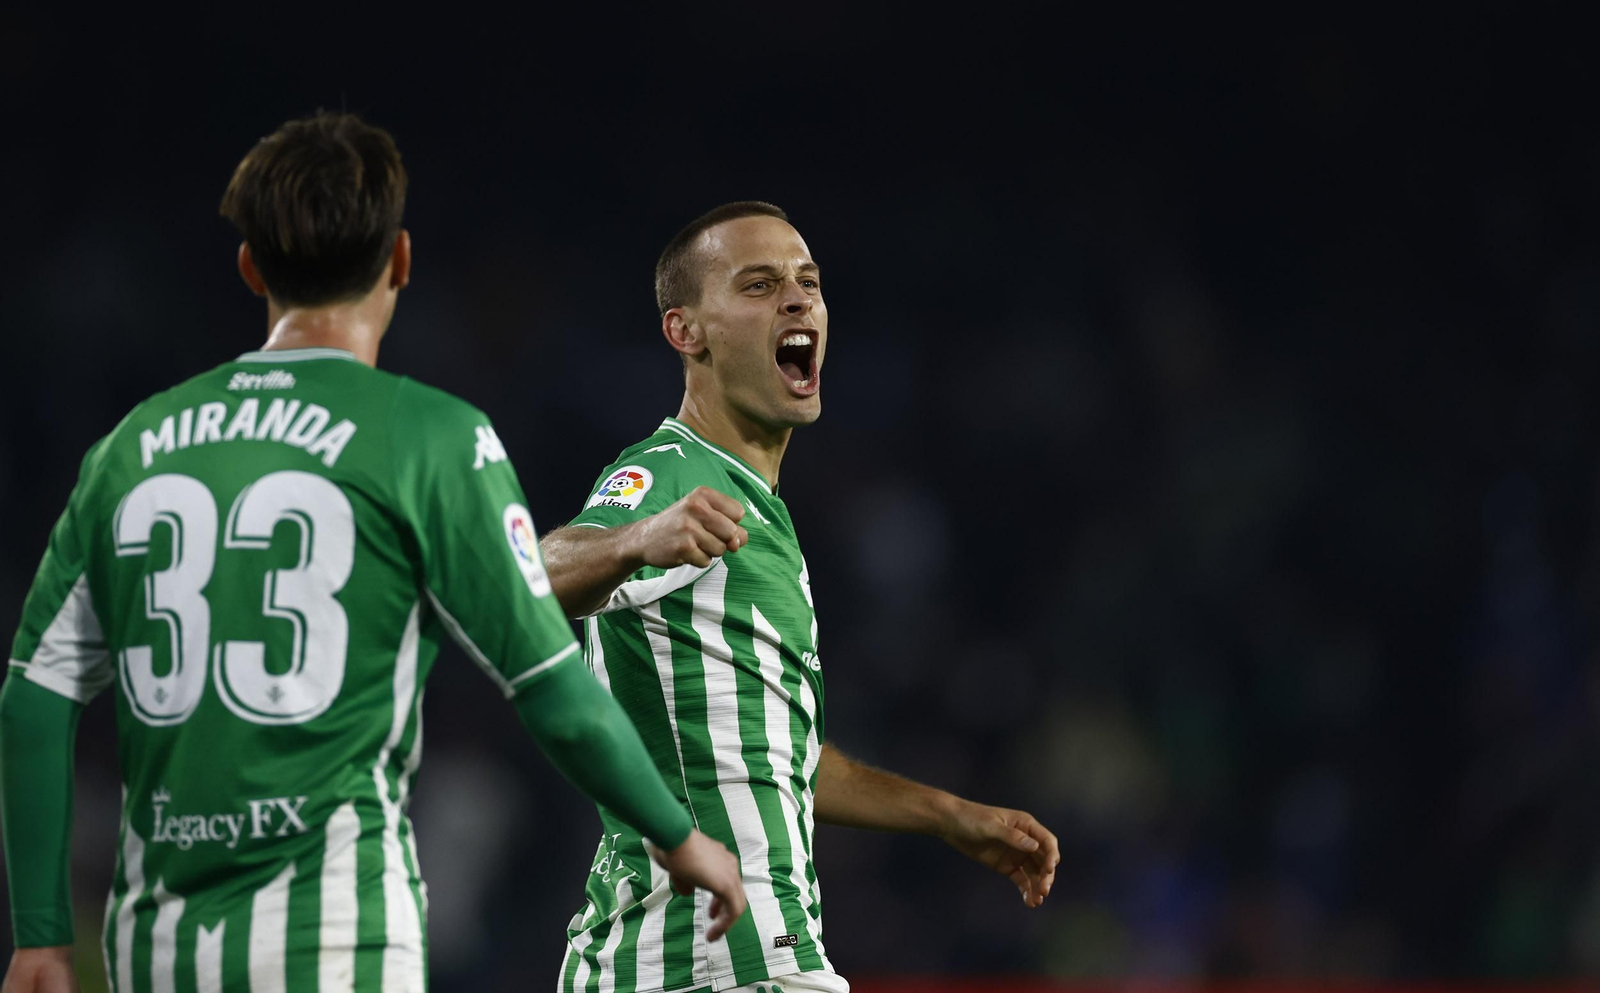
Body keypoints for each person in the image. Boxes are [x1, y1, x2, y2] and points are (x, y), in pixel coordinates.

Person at [0, 112, 745, 993]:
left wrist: (42, 935)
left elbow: (34, 699)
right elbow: (554, 690)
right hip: (336, 937)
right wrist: (680, 835)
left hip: (155, 949)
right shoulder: (430, 437)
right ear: (399, 260)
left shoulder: (133, 444)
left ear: (250, 269)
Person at [539, 202, 1060, 993]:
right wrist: (631, 540)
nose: (797, 300)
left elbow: (778, 763)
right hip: (709, 960)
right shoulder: (672, 471)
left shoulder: (760, 509)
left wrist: (949, 814)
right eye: (758, 285)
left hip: (717, 953)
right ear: (687, 332)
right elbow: (530, 578)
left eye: (807, 283)